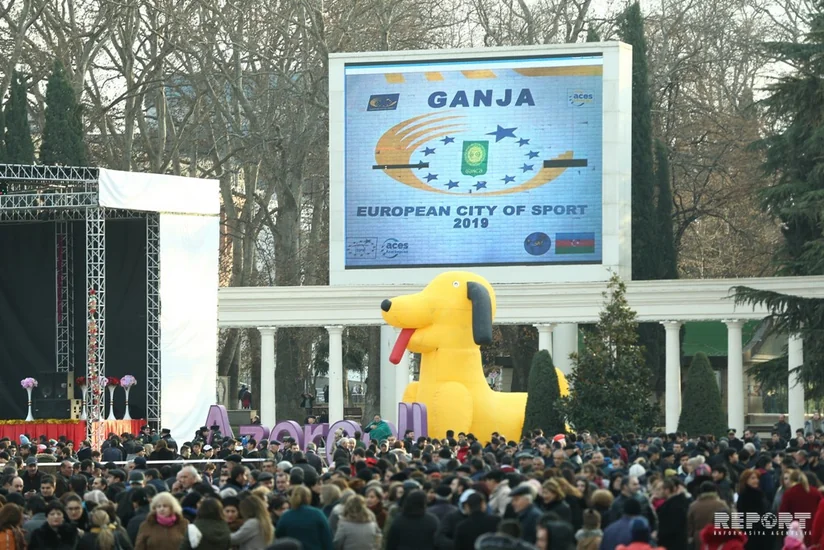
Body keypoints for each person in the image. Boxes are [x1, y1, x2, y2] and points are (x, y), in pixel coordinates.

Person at [275, 485, 334, 550]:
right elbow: (327, 538)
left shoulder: (286, 516)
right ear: (309, 497)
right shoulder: (318, 514)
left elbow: (279, 536)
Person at [780, 470, 821, 546]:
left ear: (791, 480)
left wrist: (781, 534)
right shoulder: (815, 492)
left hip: (795, 533)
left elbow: (783, 515)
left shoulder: (789, 493)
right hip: (813, 530)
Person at [736, 469, 771, 550]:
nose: (756, 481)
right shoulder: (746, 496)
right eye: (752, 478)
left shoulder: (759, 493)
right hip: (755, 534)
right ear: (746, 480)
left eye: (757, 478)